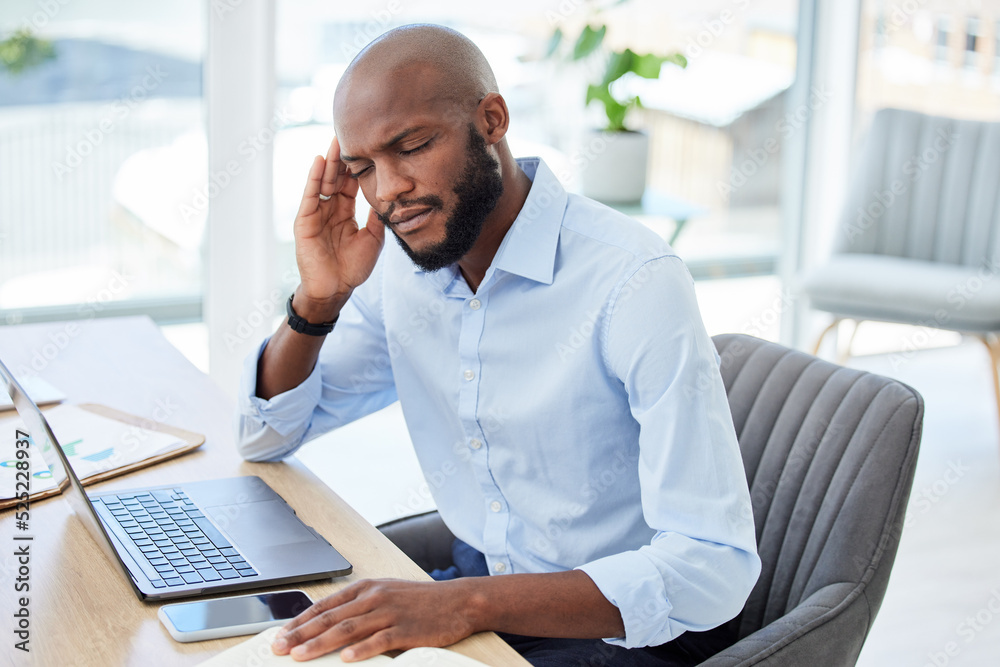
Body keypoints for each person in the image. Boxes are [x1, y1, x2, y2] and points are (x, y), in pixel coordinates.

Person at [235, 24, 760, 666]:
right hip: (477, 592)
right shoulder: (398, 270)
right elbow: (265, 435)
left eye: (413, 147)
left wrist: (468, 604)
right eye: (362, 168)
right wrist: (318, 303)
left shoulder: (632, 280)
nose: (388, 189)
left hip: (624, 629)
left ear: (492, 119)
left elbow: (712, 566)